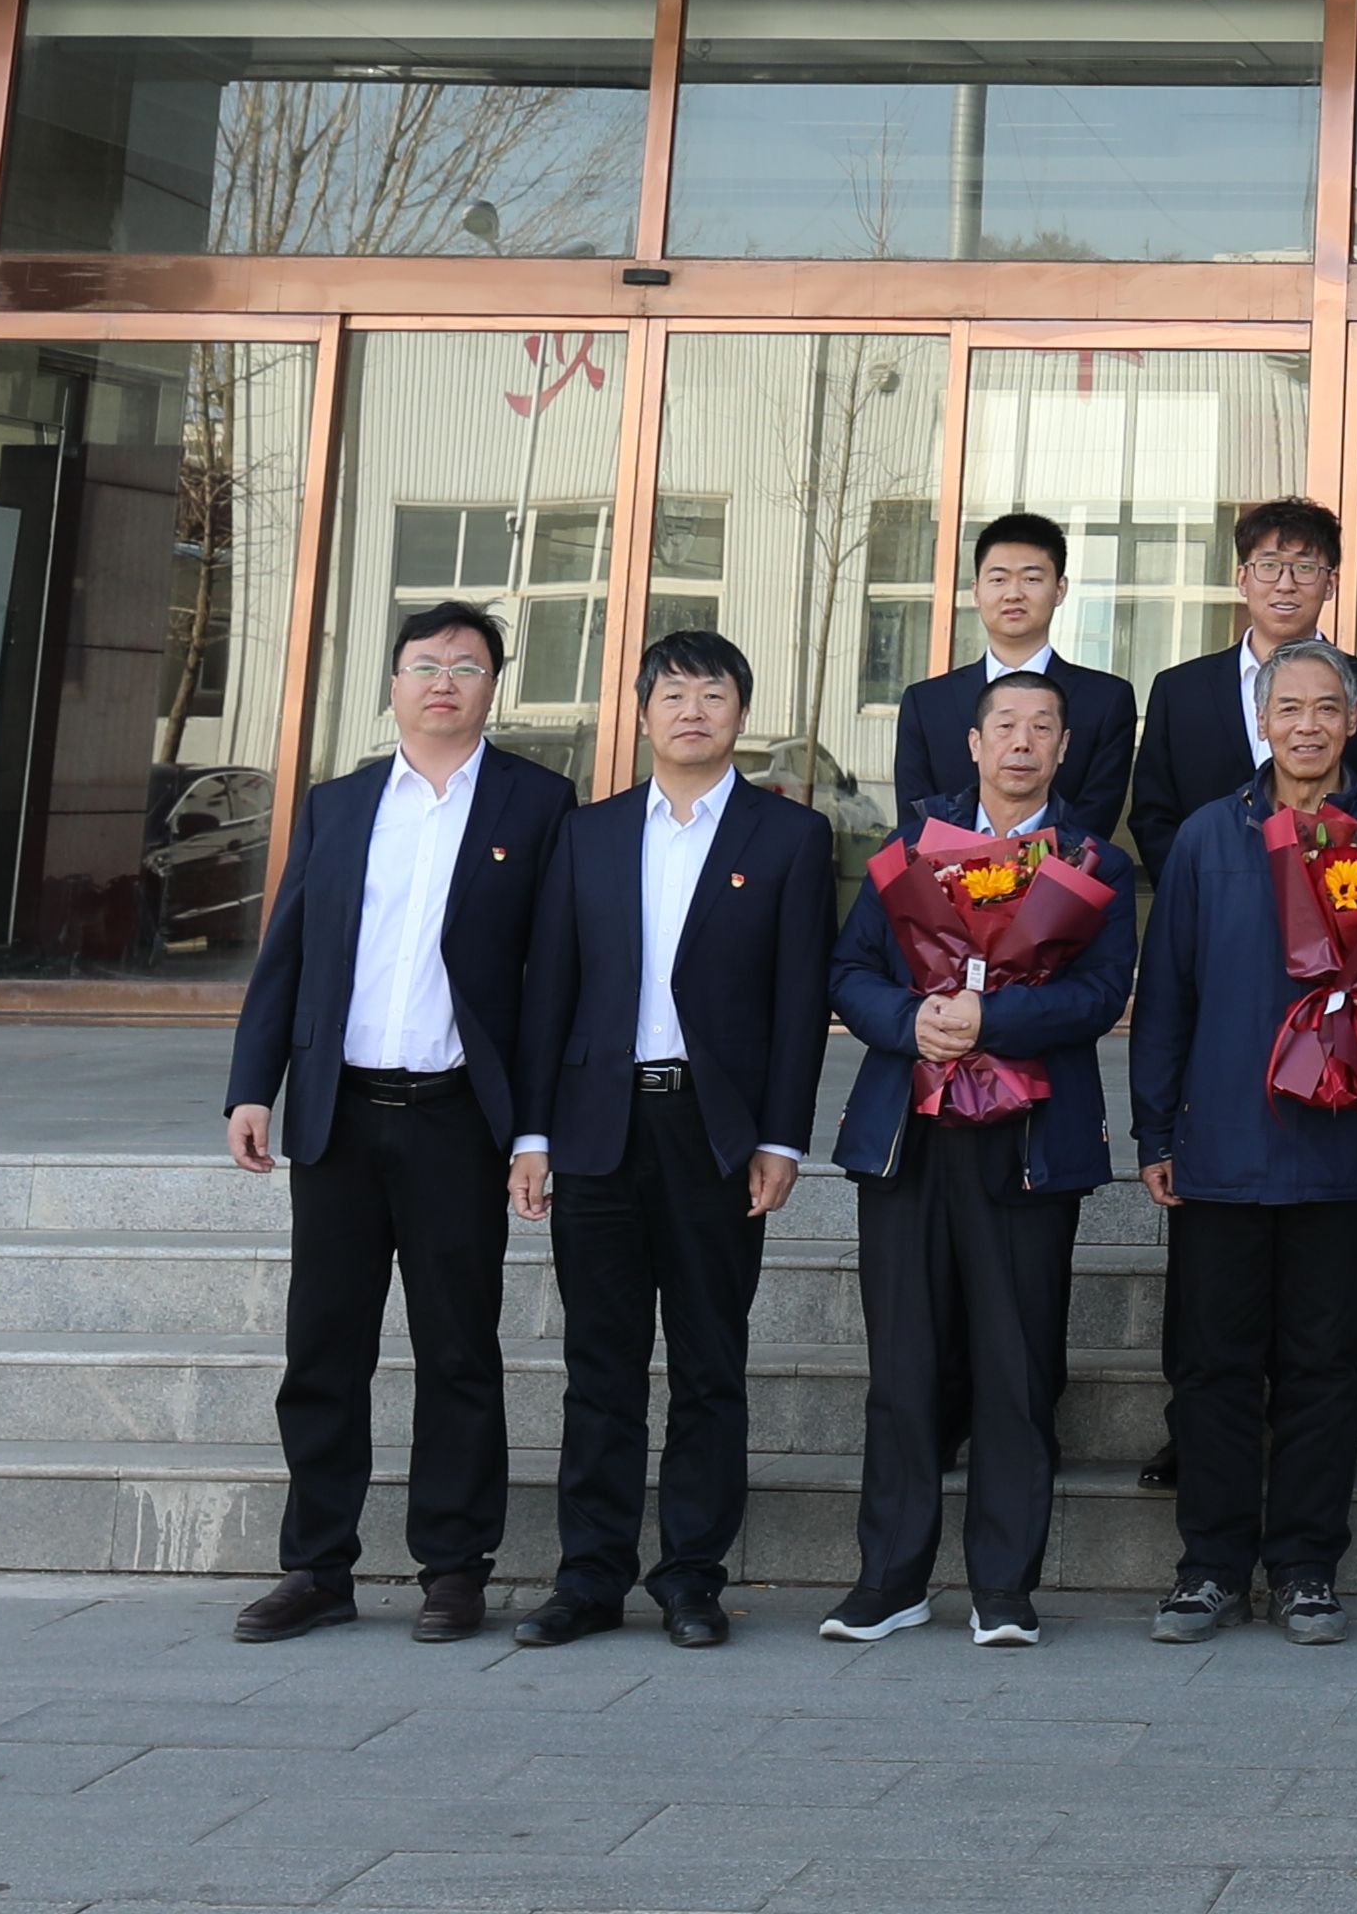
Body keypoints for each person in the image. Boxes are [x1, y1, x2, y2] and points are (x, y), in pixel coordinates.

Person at [215, 601, 578, 1646]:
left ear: (493, 687)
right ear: (393, 683)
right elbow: (288, 951)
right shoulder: (339, 805)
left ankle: (454, 1568)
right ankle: (317, 1566)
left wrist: (534, 1132)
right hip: (338, 1113)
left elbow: (552, 982)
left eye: (467, 666)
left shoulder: (537, 804)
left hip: (457, 1119)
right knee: (323, 1347)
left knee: (458, 1348)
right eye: (425, 664)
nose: (444, 681)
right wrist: (254, 1085)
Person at [524, 626, 830, 1651]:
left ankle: (692, 1576)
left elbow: (799, 1005)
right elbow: (551, 989)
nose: (692, 711)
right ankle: (589, 1576)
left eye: (713, 694)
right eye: (673, 694)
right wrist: (533, 1133)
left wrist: (781, 1138)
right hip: (598, 1128)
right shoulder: (589, 833)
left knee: (709, 1362)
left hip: (715, 1131)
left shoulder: (789, 838)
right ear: (644, 713)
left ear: (741, 713)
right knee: (599, 1364)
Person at [826, 665, 1133, 1650]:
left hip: (1027, 1145)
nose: (1022, 742)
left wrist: (991, 1018)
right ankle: (890, 1578)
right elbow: (850, 969)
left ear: (1065, 747)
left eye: (1043, 727)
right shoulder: (910, 847)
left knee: (1016, 1366)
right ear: (973, 742)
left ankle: (1004, 1586)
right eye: (1006, 724)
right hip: (909, 1137)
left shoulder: (1094, 861)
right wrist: (913, 1020)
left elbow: (1100, 993)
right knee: (903, 1366)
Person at [1129, 640, 1357, 1648]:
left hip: (1336, 1141)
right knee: (1213, 1366)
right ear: (1262, 720)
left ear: (1353, 721)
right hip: (1221, 1141)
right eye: (1287, 707)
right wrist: (1154, 1127)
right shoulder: (1209, 836)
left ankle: (1304, 1568)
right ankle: (1210, 1566)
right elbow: (1167, 995)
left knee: (1323, 1366)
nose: (1306, 725)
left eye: (1325, 707)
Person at [1130, 496, 1357, 870]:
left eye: (1304, 568)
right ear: (1242, 579)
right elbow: (1153, 817)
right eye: (1268, 565)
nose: (1285, 584)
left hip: (1339, 897)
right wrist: (1202, 887)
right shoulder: (1179, 691)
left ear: (1331, 584)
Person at [890, 505, 1134, 841]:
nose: (1014, 593)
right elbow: (915, 821)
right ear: (976, 590)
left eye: (1031, 579)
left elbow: (1095, 820)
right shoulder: (926, 702)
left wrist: (1021, 871)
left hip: (1060, 873)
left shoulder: (1106, 700)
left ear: (1059, 589)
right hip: (943, 873)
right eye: (998, 579)